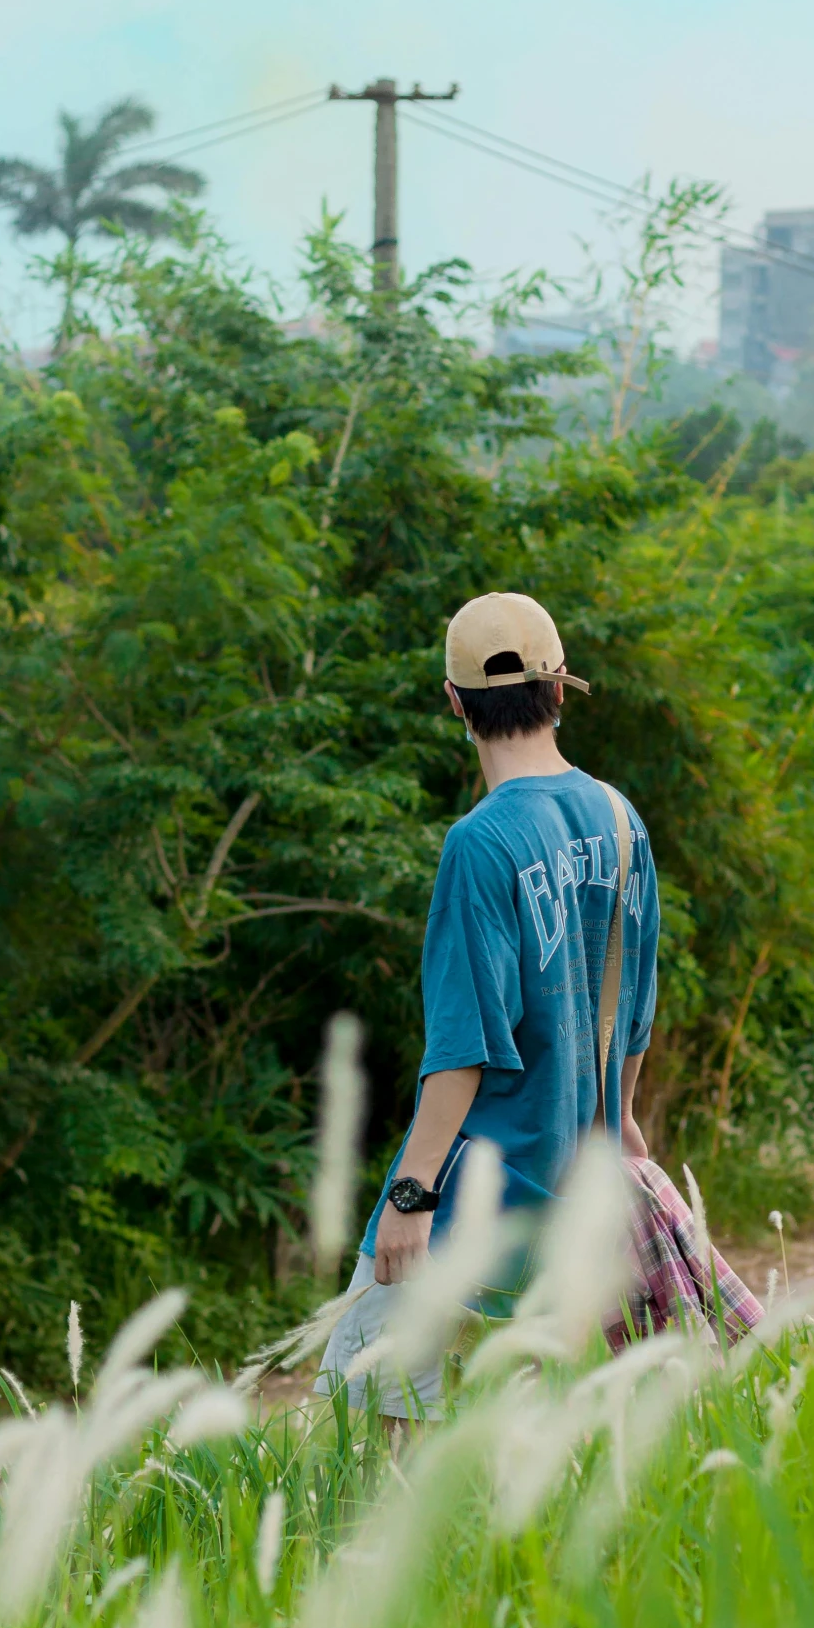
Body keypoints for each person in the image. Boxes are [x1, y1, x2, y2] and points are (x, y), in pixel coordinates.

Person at [318, 590, 660, 1422]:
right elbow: (635, 1014)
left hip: (469, 1196)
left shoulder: (479, 842)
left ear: (454, 703)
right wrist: (618, 1124)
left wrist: (409, 1196)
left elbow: (463, 1050)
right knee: (514, 1433)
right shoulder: (620, 821)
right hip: (571, 1192)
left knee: (371, 1421)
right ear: (557, 689)